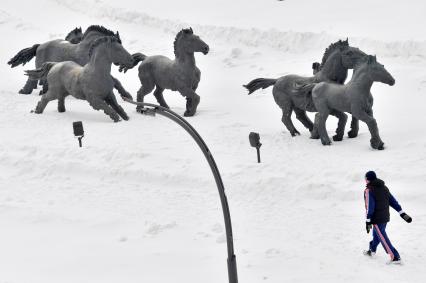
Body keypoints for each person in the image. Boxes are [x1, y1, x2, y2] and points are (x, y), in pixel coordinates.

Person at [363, 171, 412, 264]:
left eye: (365, 179)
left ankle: (395, 257)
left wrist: (368, 220)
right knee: (377, 234)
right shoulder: (384, 187)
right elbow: (392, 200)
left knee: (382, 237)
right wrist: (401, 212)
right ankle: (372, 250)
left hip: (376, 219)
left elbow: (370, 207)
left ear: (367, 179)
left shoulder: (369, 190)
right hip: (385, 217)